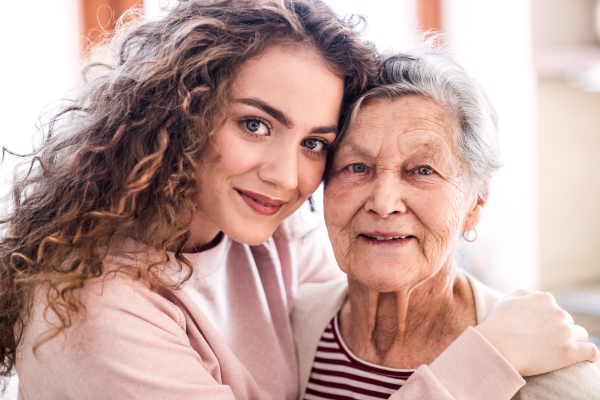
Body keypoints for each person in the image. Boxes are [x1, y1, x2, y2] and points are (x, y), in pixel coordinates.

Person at [0, 1, 595, 399]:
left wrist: (495, 317)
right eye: (255, 125)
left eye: (315, 143)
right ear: (180, 113)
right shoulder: (94, 308)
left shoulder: (260, 238)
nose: (287, 177)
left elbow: (380, 271)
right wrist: (483, 359)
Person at [293, 43, 600, 399]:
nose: (383, 202)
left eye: (423, 170)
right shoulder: (293, 326)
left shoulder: (550, 372)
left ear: (476, 203)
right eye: (356, 167)